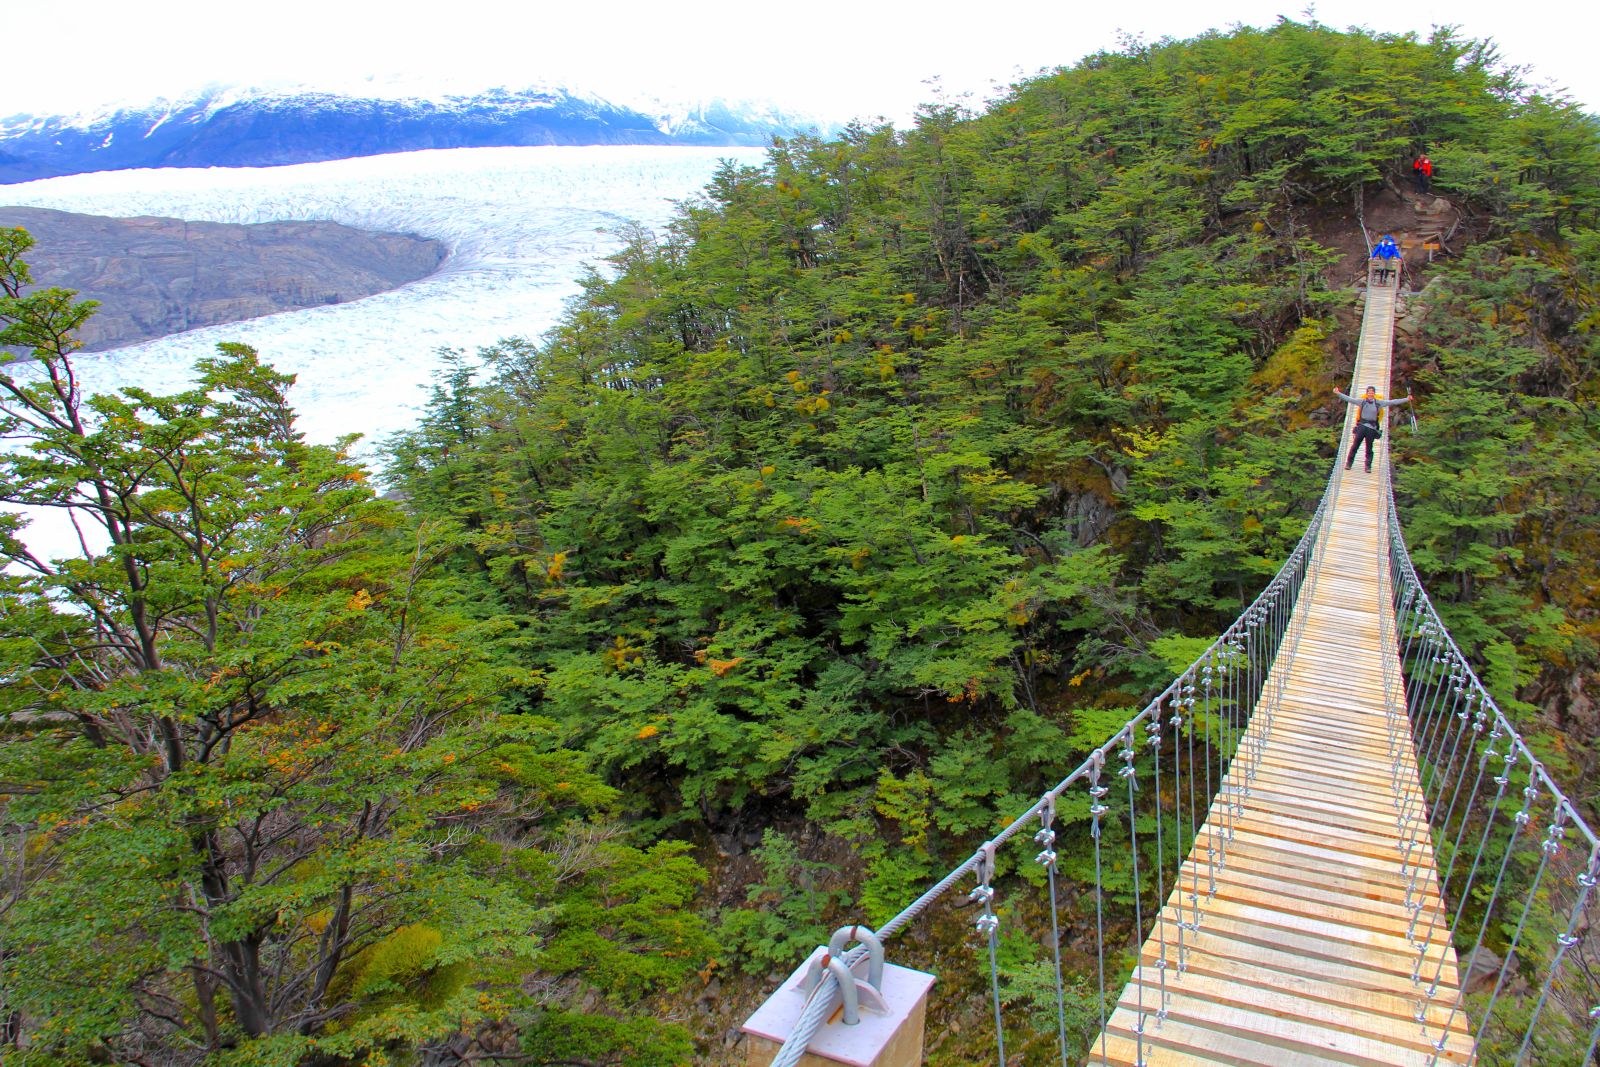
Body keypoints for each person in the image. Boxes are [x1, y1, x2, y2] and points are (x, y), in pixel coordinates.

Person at [1335, 385, 1411, 472]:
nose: (1370, 394)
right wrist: (1338, 393)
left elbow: (1392, 402)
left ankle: (1368, 467)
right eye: (1369, 392)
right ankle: (1349, 464)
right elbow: (1349, 399)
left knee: (1369, 448)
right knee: (1355, 446)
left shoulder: (1378, 403)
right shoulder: (1362, 402)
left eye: (1372, 392)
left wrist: (1406, 399)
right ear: (1366, 393)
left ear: (1374, 393)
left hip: (1371, 429)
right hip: (1362, 426)